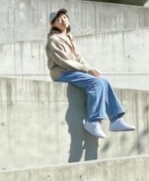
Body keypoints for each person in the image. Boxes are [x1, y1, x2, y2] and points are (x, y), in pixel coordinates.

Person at [46, 8, 135, 139]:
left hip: (73, 71)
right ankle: (92, 121)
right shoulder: (53, 40)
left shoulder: (69, 37)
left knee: (103, 81)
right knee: (96, 83)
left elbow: (79, 58)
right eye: (58, 19)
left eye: (64, 17)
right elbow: (63, 61)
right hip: (62, 73)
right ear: (53, 25)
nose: (62, 20)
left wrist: (89, 68)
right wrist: (86, 70)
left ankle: (115, 120)